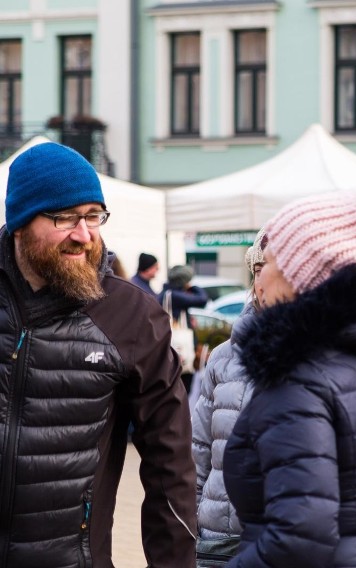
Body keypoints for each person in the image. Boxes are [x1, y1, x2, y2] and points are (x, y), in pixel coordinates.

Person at [0, 141, 196, 566]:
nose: (84, 234)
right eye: (64, 217)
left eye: (93, 216)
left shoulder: (132, 315)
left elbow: (170, 466)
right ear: (19, 222)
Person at [222, 183, 356, 567]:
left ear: (302, 274)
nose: (258, 277)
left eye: (265, 262)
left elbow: (299, 536)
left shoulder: (299, 376)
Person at [193, 229, 266, 566]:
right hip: (219, 541)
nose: (264, 278)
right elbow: (198, 446)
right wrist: (194, 521)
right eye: (257, 268)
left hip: (285, 540)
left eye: (276, 265)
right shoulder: (224, 356)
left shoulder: (327, 353)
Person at [159, 264, 208, 391]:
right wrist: (192, 287)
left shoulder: (165, 294)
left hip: (168, 348)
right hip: (180, 348)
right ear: (183, 282)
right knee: (183, 387)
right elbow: (202, 299)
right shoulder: (174, 296)